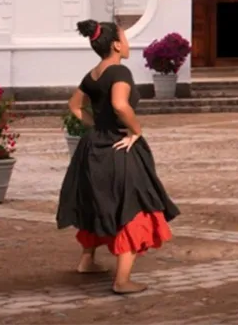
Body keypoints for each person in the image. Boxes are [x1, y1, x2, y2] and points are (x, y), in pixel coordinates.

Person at [56, 20, 179, 294]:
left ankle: (87, 261)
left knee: (98, 202)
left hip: (92, 147)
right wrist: (135, 130)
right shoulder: (119, 72)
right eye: (125, 37)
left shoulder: (94, 73)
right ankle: (122, 280)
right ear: (115, 44)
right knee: (132, 206)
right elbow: (120, 105)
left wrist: (97, 126)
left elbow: (74, 106)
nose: (128, 42)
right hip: (117, 148)